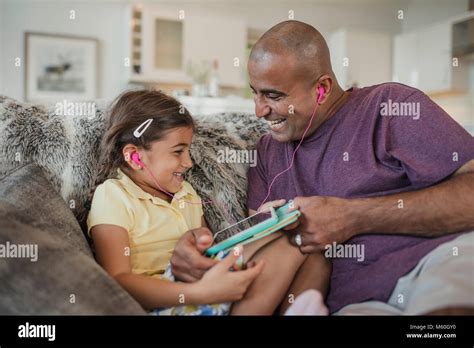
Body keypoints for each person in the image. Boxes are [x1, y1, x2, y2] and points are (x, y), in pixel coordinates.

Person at [172, 20, 474, 315]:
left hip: (435, 262)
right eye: (255, 92)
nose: (259, 111)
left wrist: (354, 217)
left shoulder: (390, 106)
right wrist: (201, 249)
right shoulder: (266, 153)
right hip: (352, 303)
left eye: (273, 96)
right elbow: (258, 245)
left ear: (322, 88)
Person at [86, 89, 322, 315]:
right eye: (178, 152)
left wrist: (266, 224)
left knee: (307, 245)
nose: (188, 162)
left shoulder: (186, 193)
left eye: (188, 150)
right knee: (288, 250)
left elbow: (209, 248)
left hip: (206, 283)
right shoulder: (113, 195)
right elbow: (117, 280)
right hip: (171, 301)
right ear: (135, 156)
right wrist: (199, 292)